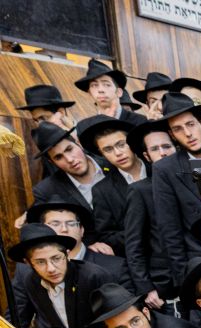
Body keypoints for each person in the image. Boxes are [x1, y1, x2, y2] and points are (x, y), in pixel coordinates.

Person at [8, 222, 113, 328]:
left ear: (67, 254)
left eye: (56, 258)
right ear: (28, 263)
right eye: (40, 262)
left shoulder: (93, 276)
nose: (51, 268)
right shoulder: (31, 281)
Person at [151, 93, 201, 297]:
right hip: (200, 263)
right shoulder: (165, 169)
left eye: (190, 124)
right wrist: (185, 280)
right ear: (172, 134)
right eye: (178, 129)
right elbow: (170, 230)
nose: (187, 133)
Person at [30, 122, 130, 255]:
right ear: (52, 162)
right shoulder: (48, 190)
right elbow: (48, 232)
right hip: (93, 258)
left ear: (78, 143)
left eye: (69, 149)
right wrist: (85, 246)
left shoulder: (113, 163)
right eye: (58, 157)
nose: (70, 159)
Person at [123, 120, 179, 310]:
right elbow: (134, 245)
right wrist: (146, 288)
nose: (163, 152)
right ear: (147, 156)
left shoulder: (193, 182)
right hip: (164, 284)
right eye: (155, 149)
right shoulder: (140, 191)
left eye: (167, 146)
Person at [25, 199, 130, 290]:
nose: (64, 229)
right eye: (55, 224)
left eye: (71, 224)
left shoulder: (115, 267)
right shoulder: (27, 271)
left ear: (82, 230)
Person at [75, 58, 147, 126]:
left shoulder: (140, 122)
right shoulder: (84, 126)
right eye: (94, 85)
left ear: (119, 92)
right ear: (90, 93)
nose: (101, 90)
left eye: (107, 85)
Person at [76, 116, 146, 184]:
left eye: (121, 145)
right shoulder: (102, 190)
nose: (118, 153)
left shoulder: (152, 165)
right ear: (102, 153)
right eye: (108, 149)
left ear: (131, 142)